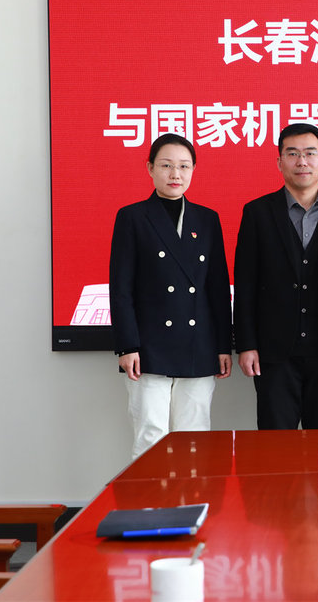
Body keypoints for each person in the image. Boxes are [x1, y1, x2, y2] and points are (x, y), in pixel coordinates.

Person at [233, 123, 318, 429]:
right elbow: (246, 283)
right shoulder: (257, 213)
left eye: (310, 153)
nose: (302, 161)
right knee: (275, 444)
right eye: (292, 154)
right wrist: (246, 344)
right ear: (279, 162)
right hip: (273, 352)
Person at [109, 133, 233, 459]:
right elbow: (121, 289)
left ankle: (191, 495)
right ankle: (148, 495)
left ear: (193, 170)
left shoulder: (207, 219)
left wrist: (223, 345)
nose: (175, 174)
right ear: (150, 168)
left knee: (195, 436)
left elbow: (217, 289)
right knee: (151, 434)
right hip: (149, 347)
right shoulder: (132, 217)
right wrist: (127, 345)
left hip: (199, 344)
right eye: (166, 165)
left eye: (184, 166)